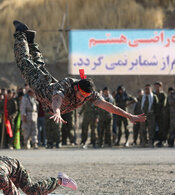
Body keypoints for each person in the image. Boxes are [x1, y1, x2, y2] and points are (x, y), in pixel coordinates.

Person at [12, 20, 146, 125]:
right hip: (41, 86)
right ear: (76, 87)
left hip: (46, 90)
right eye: (81, 95)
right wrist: (57, 111)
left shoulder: (88, 94)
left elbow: (107, 106)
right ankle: (21, 33)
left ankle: (31, 40)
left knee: (39, 65)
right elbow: (57, 98)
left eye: (85, 97)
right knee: (23, 62)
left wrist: (129, 116)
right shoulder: (67, 83)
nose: (82, 98)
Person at [153, 81, 167, 147]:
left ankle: (162, 141)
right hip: (154, 113)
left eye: (158, 86)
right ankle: (154, 140)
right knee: (153, 127)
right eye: (155, 86)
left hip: (161, 114)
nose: (156, 87)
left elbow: (163, 104)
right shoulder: (152, 94)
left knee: (161, 128)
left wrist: (157, 104)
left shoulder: (163, 94)